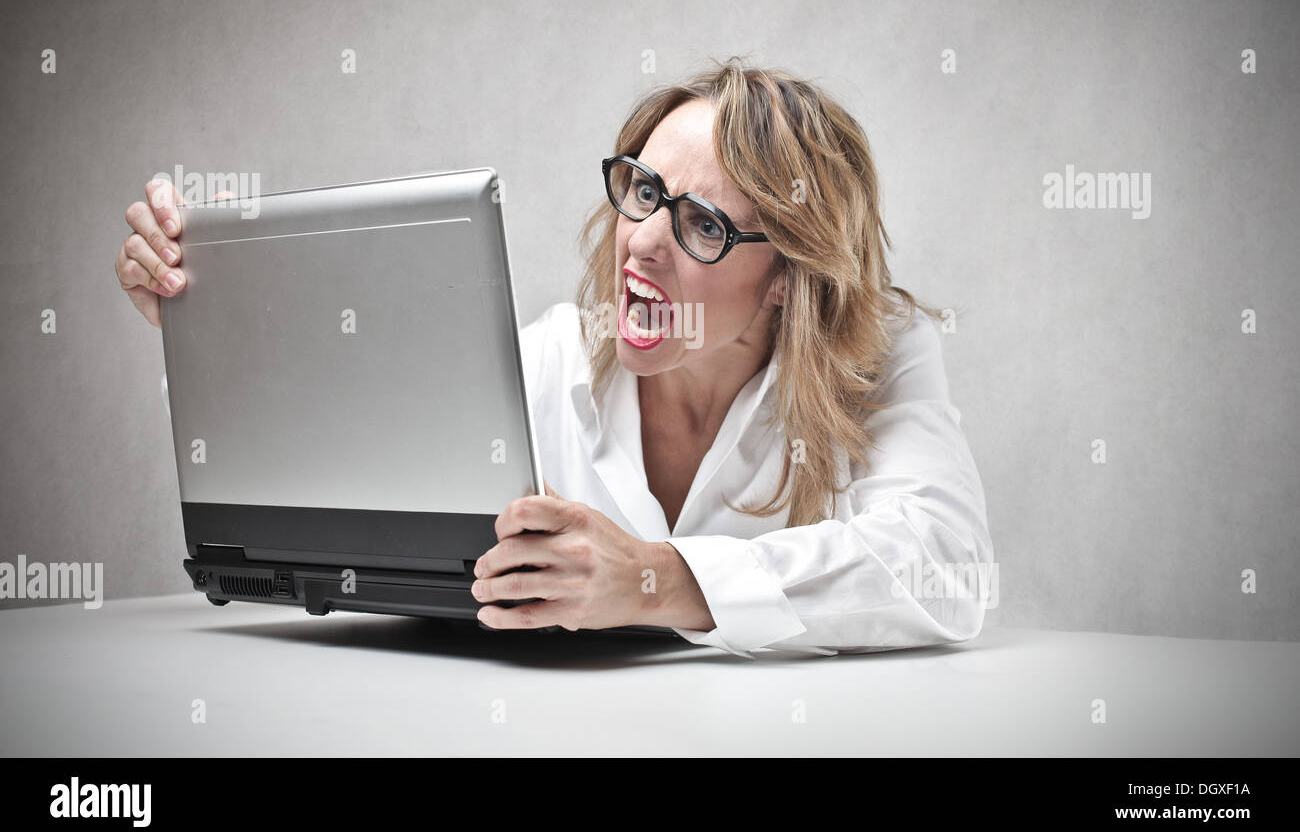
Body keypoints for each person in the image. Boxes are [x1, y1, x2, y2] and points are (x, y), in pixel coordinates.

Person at [115, 58, 994, 658]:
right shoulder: (550, 361)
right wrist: (208, 327)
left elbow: (945, 565)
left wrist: (656, 580)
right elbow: (349, 465)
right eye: (643, 192)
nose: (642, 243)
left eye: (703, 225)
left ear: (785, 281)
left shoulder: (881, 353)